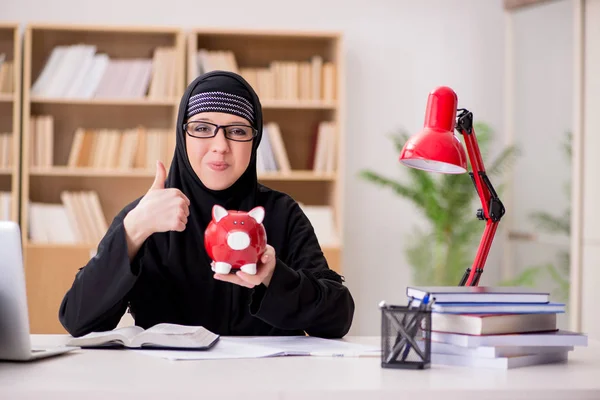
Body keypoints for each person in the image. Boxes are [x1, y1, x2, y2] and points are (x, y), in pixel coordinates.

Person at [59, 70, 355, 339]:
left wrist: (274, 277)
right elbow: (78, 321)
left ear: (255, 140)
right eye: (202, 128)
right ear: (182, 135)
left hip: (265, 383)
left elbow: (337, 319)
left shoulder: (281, 214)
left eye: (238, 131)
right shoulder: (149, 214)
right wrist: (133, 231)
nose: (220, 145)